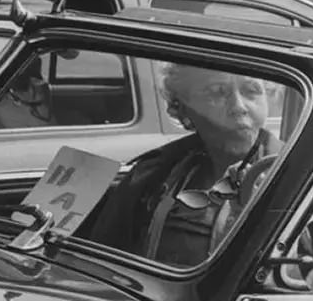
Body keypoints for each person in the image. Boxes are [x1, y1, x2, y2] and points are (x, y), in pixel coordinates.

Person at [88, 63, 281, 266]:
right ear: (182, 108)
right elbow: (102, 263)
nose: (239, 107)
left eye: (251, 91)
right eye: (217, 93)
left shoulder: (295, 175)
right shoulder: (152, 174)